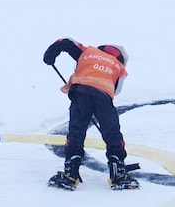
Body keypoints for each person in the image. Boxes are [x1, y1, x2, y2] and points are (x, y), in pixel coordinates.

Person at [42, 37, 139, 190]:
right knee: (112, 133)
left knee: (76, 132)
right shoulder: (120, 68)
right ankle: (118, 170)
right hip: (104, 99)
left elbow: (65, 42)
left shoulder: (87, 52)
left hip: (80, 93)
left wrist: (50, 55)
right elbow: (117, 91)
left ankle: (71, 171)